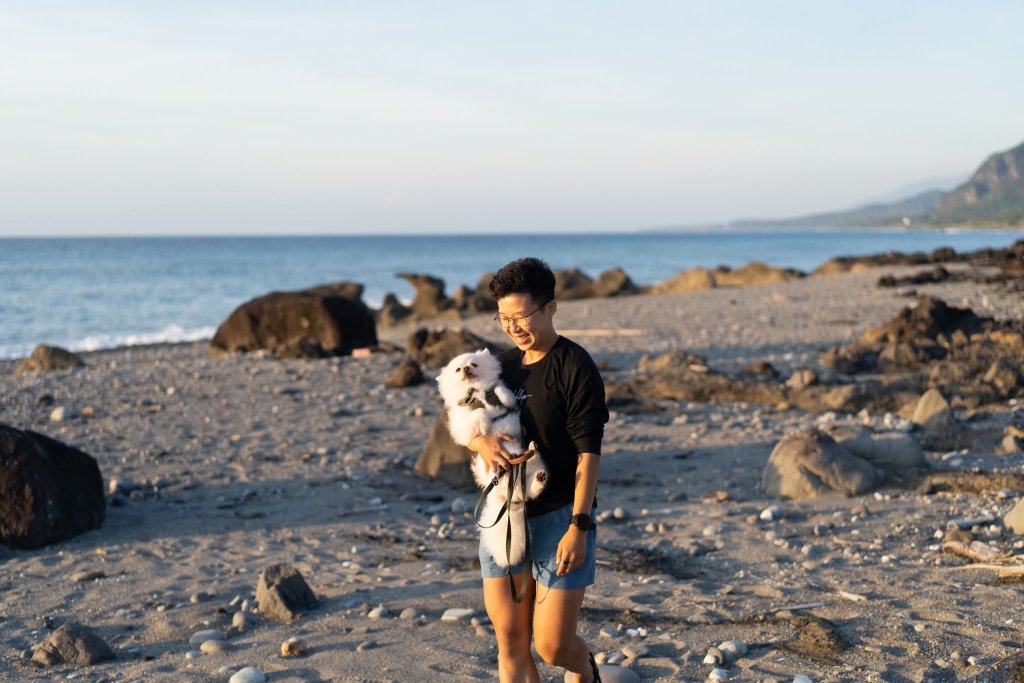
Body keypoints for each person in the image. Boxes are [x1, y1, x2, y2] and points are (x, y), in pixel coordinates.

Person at [467, 257, 609, 683]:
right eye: (504, 318)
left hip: (559, 518)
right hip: (503, 520)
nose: (513, 327)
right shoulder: (500, 368)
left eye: (522, 316)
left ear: (550, 308)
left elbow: (590, 453)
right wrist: (480, 441)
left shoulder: (574, 366)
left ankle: (586, 670)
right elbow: (467, 421)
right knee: (510, 640)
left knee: (552, 646)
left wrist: (578, 526)